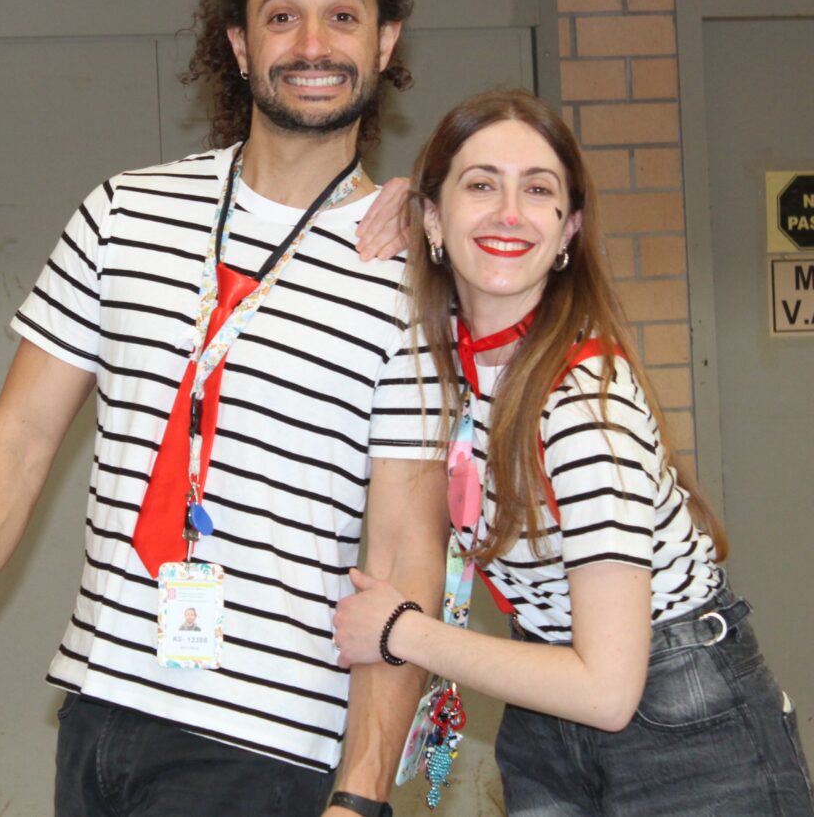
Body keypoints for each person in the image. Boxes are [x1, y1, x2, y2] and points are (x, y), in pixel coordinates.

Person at [0, 0, 449, 817]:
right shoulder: (123, 214)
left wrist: (364, 794)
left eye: (343, 16)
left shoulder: (413, 274)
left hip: (267, 743)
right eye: (281, 16)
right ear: (239, 44)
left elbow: (408, 551)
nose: (312, 44)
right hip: (100, 711)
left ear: (384, 43)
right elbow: (18, 442)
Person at [333, 89, 814, 817]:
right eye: (481, 185)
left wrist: (404, 633)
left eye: (538, 191)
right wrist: (393, 200)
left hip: (680, 720)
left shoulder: (583, 403)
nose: (508, 212)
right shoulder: (458, 364)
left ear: (568, 230)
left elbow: (607, 691)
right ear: (432, 218)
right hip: (546, 710)